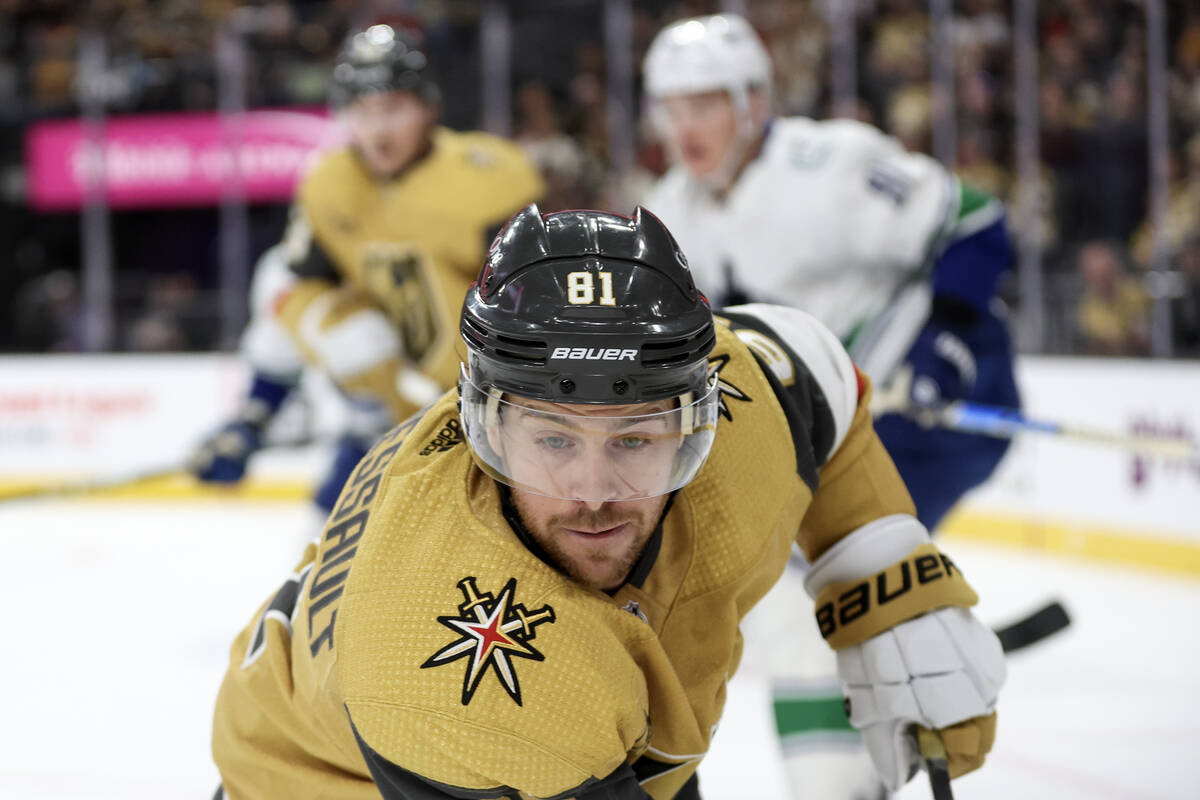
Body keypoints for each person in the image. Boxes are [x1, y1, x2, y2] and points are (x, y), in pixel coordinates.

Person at [210, 205, 1005, 800]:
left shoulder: (748, 418)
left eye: (634, 438)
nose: (594, 495)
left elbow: (813, 372)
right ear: (484, 425)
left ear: (703, 413)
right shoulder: (459, 686)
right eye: (553, 440)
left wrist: (883, 575)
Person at [640, 13, 1020, 799]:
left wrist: (946, 338)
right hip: (838, 429)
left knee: (799, 585)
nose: (687, 127)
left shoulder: (830, 164)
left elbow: (976, 222)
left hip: (941, 401)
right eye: (672, 108)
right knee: (795, 600)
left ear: (751, 102)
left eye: (705, 104)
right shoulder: (670, 210)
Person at [190, 22, 544, 517]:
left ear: (428, 107)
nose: (378, 129)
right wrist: (252, 417)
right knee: (321, 573)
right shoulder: (331, 185)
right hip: (383, 431)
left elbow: (540, 309)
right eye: (364, 111)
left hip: (489, 429)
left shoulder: (488, 178)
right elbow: (291, 295)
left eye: (394, 108)